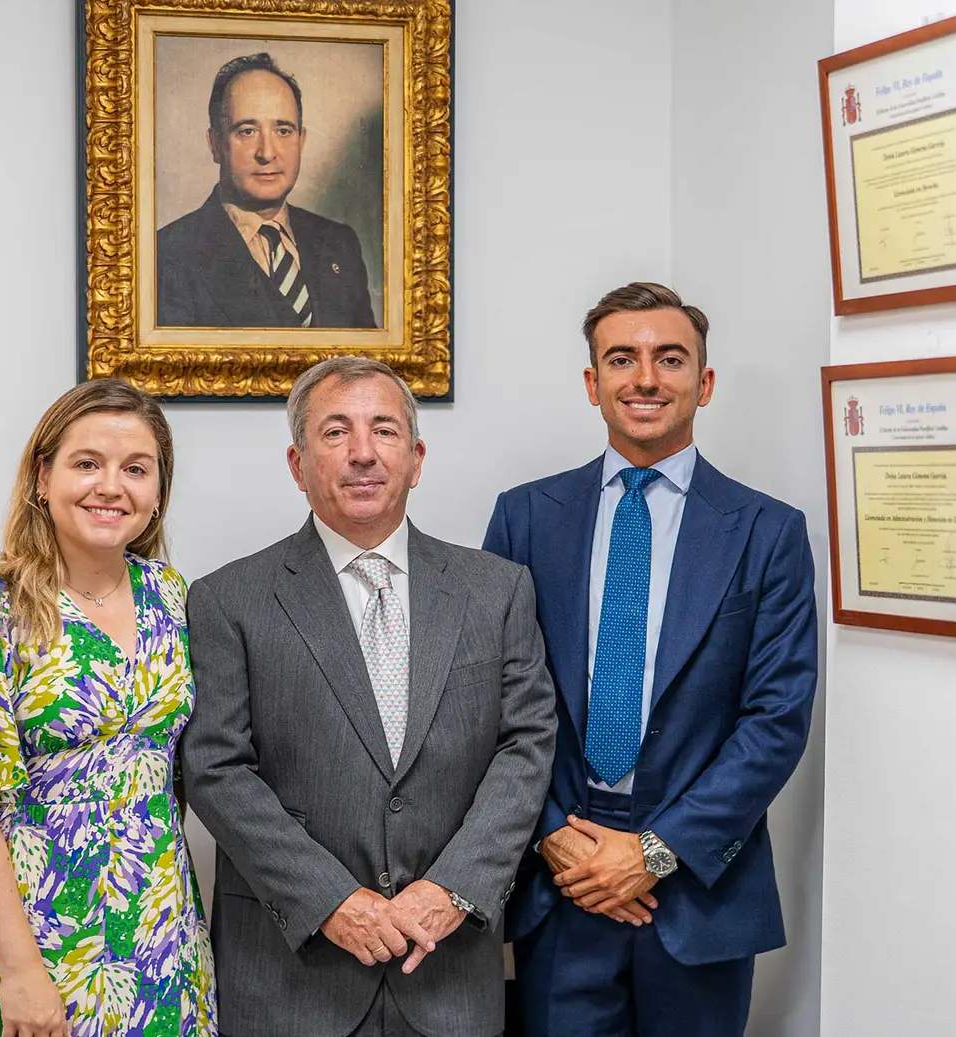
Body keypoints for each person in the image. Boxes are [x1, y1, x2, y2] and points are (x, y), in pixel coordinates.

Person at [181, 356, 557, 1037]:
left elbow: (526, 745)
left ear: (416, 459)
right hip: (292, 976)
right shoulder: (227, 599)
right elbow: (215, 768)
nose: (361, 453)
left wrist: (454, 889)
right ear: (297, 463)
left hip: (446, 965)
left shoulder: (495, 590)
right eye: (335, 432)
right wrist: (331, 900)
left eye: (383, 431)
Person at [484, 282, 819, 1036]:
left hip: (701, 882)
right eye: (621, 359)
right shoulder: (526, 517)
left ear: (703, 383)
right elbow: (491, 701)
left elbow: (775, 722)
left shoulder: (768, 531)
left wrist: (658, 850)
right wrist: (550, 834)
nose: (644, 378)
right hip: (561, 873)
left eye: (669, 359)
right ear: (592, 383)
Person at [0, 379, 216, 1037]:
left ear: (158, 491)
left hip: (156, 933)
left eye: (135, 469)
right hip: (25, 939)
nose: (111, 485)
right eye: (86, 463)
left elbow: (178, 770)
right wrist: (20, 970)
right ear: (42, 476)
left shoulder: (171, 598)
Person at [156, 52, 378, 329]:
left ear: (301, 140)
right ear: (215, 144)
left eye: (283, 131)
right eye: (247, 131)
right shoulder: (167, 254)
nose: (267, 153)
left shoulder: (339, 244)